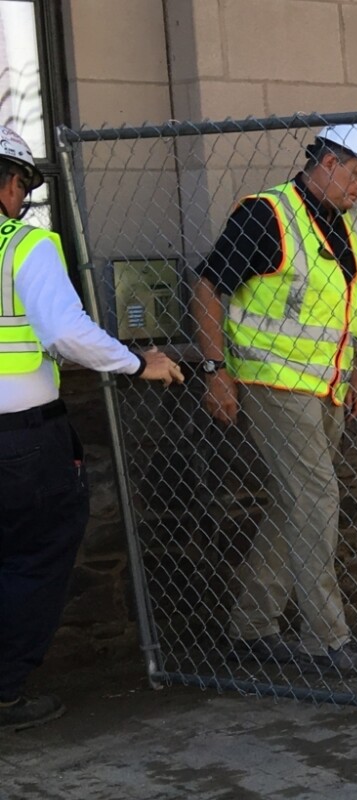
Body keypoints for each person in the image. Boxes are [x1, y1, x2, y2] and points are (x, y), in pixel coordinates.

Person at [0, 124, 185, 731]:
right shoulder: (26, 246)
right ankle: (4, 691)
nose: (22, 200)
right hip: (20, 438)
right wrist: (139, 362)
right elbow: (66, 333)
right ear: (9, 184)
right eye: (23, 188)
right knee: (35, 556)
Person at [192, 123, 357, 675]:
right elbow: (209, 285)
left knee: (295, 504)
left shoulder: (349, 224)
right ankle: (326, 639)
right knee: (317, 498)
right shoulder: (267, 214)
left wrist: (351, 373)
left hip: (324, 386)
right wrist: (214, 371)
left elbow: (345, 308)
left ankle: (251, 628)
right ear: (327, 161)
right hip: (274, 384)